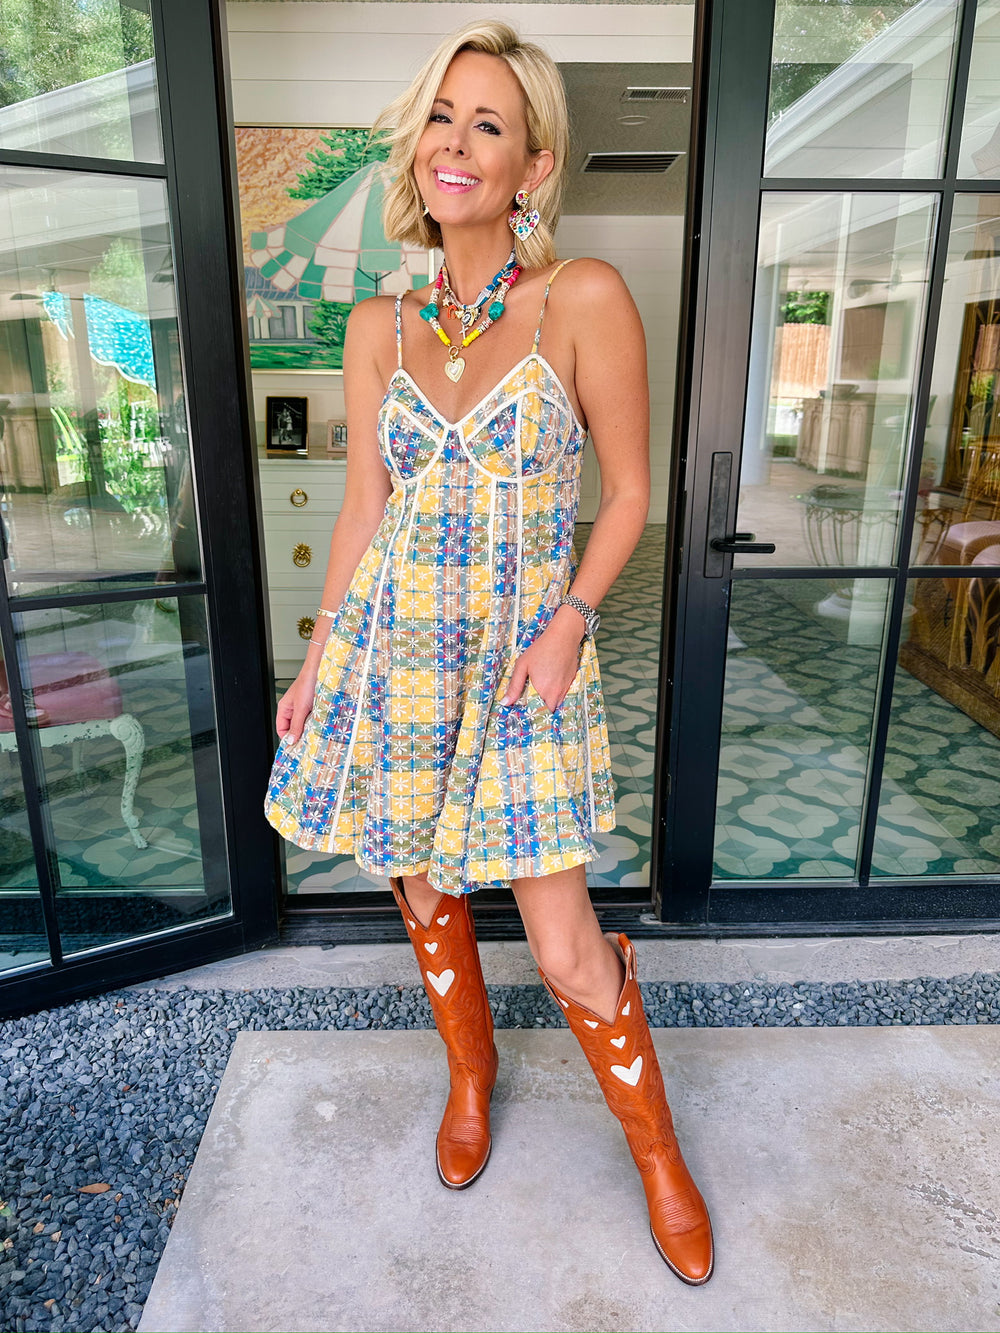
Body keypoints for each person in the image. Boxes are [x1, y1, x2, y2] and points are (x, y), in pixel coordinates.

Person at [264, 19, 713, 1286]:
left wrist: (571, 620)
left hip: (522, 659)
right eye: (441, 117)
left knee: (563, 939)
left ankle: (658, 1154)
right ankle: (471, 1073)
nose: (454, 142)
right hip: (394, 653)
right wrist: (317, 661)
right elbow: (364, 506)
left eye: (489, 124)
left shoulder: (581, 297)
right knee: (420, 886)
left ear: (533, 164)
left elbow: (629, 492)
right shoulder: (376, 324)